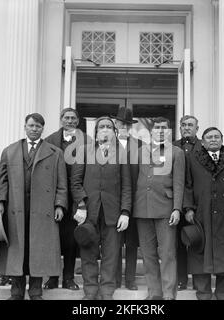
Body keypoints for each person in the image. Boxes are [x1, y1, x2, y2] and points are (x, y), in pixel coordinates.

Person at [0, 113, 68, 300]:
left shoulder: (55, 152)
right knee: (17, 250)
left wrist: (59, 205)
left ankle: (36, 291)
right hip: (16, 208)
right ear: (25, 127)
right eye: (31, 125)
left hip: (43, 210)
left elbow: (62, 183)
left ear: (43, 129)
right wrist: (0, 202)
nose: (34, 129)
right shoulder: (10, 151)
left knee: (38, 250)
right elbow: (2, 181)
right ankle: (16, 292)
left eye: (38, 126)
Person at [70, 116, 132, 300]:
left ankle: (106, 292)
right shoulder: (83, 151)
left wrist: (125, 212)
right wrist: (81, 205)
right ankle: (90, 292)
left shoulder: (122, 154)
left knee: (111, 255)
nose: (105, 129)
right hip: (88, 212)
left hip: (113, 214)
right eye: (101, 127)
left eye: (108, 127)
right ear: (96, 132)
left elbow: (127, 186)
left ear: (114, 132)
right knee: (88, 253)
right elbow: (75, 182)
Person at [184, 127, 224, 300]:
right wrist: (189, 208)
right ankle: (203, 294)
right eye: (209, 137)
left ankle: (223, 295)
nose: (213, 139)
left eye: (216, 137)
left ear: (221, 140)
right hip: (202, 215)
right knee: (200, 254)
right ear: (203, 142)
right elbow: (187, 185)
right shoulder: (192, 159)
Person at [133, 117, 185, 300]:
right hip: (142, 208)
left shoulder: (177, 153)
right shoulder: (140, 151)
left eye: (164, 127)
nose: (161, 131)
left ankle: (169, 293)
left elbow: (179, 183)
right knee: (148, 254)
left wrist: (177, 208)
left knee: (167, 253)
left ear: (169, 131)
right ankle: (154, 292)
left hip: (165, 208)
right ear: (151, 131)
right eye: (157, 128)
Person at [43, 108, 89, 291]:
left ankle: (69, 278)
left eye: (73, 118)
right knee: (53, 239)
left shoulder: (87, 141)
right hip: (53, 198)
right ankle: (52, 278)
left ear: (78, 121)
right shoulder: (49, 141)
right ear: (61, 120)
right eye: (66, 118)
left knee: (71, 240)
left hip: (77, 198)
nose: (70, 121)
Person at [112, 106, 143, 291]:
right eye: (120, 123)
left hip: (134, 200)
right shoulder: (106, 143)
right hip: (112, 201)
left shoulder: (140, 146)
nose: (123, 126)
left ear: (130, 126)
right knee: (114, 243)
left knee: (132, 242)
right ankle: (115, 278)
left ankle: (130, 278)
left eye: (126, 124)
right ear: (115, 124)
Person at [173, 115, 202, 291]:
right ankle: (181, 279)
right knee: (178, 244)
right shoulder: (173, 147)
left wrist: (191, 206)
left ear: (197, 129)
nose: (186, 128)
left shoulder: (203, 146)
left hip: (199, 204)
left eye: (190, 125)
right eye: (183, 125)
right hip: (176, 204)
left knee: (198, 242)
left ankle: (199, 280)